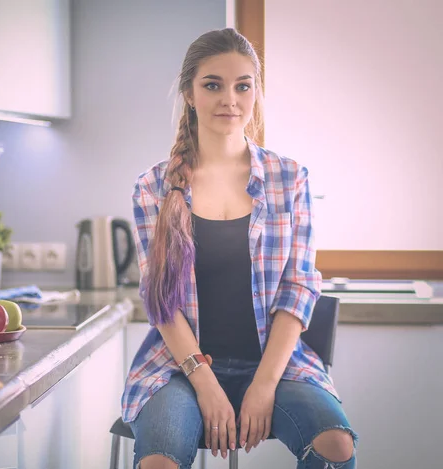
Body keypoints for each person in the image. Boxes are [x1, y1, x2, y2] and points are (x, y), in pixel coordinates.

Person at [121, 28, 358, 469]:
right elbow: (161, 302)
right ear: (190, 93)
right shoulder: (152, 187)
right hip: (179, 369)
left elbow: (299, 287)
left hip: (276, 366)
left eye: (242, 85)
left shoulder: (291, 178)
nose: (229, 98)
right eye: (213, 84)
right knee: (159, 463)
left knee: (336, 444)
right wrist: (205, 382)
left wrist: (265, 384)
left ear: (255, 92)